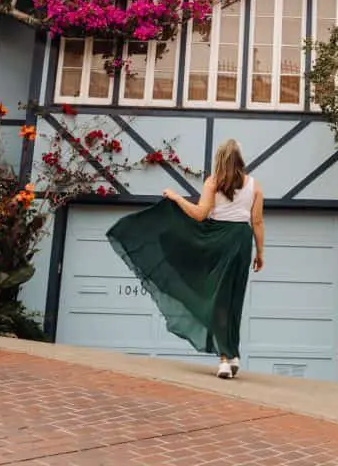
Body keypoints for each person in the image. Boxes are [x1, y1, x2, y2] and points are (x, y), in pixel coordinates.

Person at [106, 138, 264, 379]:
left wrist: (177, 198)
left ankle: (225, 358)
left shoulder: (214, 182)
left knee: (218, 299)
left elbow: (200, 215)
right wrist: (260, 252)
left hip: (216, 239)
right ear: (240, 159)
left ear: (220, 158)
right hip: (241, 241)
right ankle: (232, 355)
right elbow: (257, 222)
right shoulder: (254, 185)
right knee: (233, 299)